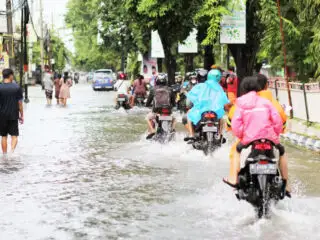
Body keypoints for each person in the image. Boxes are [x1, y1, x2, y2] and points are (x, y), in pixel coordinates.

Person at [225, 74, 289, 189]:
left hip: (249, 139)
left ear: (243, 89)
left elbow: (235, 125)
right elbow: (278, 121)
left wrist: (242, 135)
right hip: (270, 138)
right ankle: (287, 185)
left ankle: (233, 179)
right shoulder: (267, 102)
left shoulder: (240, 103)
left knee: (236, 150)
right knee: (282, 152)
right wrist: (275, 134)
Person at [184, 69, 229, 141]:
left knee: (189, 115)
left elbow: (191, 98)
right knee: (221, 117)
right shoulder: (219, 87)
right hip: (215, 111)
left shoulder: (198, 86)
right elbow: (224, 100)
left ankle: (191, 135)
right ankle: (220, 135)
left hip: (201, 111)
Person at [0, 69, 24, 156]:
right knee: (14, 136)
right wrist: (22, 115)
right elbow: (20, 103)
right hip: (13, 115)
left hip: (2, 115)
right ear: (10, 75)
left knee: (3, 136)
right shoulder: (17, 88)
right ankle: (12, 152)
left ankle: (5, 155)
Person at [146, 74, 176, 139]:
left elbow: (147, 103)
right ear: (165, 81)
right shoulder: (170, 89)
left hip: (156, 111)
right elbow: (174, 103)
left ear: (157, 81)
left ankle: (152, 131)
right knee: (174, 119)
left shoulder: (153, 89)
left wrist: (148, 105)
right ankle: (172, 130)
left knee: (148, 118)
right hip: (168, 112)